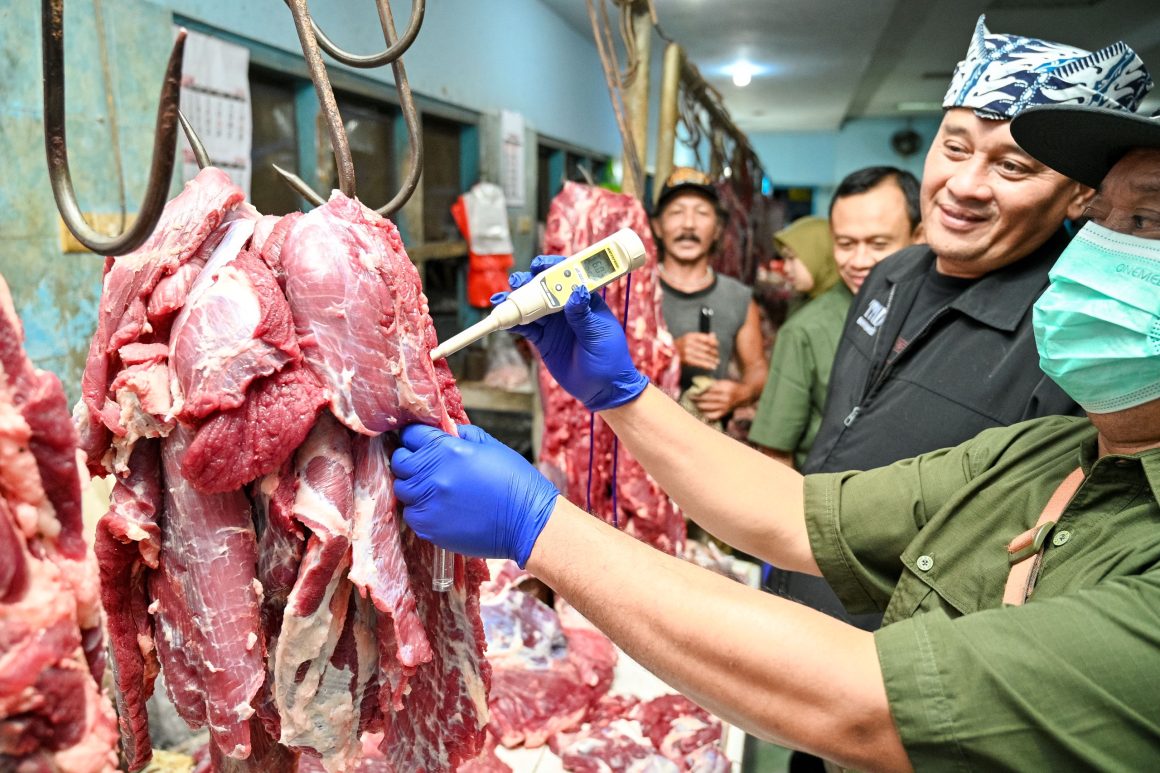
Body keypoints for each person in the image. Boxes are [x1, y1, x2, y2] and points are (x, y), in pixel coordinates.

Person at [390, 98, 1160, 769]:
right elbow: (795, 514)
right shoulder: (1053, 455)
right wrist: (622, 395)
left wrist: (540, 527)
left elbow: (867, 704)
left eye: (1147, 220)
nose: (1095, 255)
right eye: (1100, 219)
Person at [769, 18, 1153, 638]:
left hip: (902, 658)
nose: (964, 186)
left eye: (1014, 167)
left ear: (1080, 195)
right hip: (798, 590)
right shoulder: (890, 273)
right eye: (954, 147)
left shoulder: (1077, 335)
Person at [750, 168, 921, 469]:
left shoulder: (944, 312)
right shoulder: (806, 331)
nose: (859, 261)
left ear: (919, 236)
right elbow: (775, 453)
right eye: (845, 244)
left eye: (879, 244)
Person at [652, 167, 766, 424]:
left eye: (702, 213)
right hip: (639, 439)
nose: (689, 224)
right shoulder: (637, 292)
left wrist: (744, 392)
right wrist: (670, 354)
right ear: (658, 226)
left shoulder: (738, 297)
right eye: (677, 212)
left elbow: (757, 368)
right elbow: (602, 364)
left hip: (706, 439)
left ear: (717, 229)